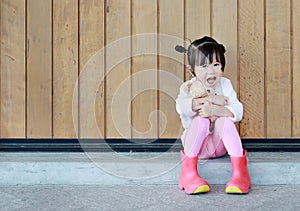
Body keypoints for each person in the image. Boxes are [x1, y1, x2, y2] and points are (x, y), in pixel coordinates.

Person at [175, 36, 251, 194]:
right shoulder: (188, 87)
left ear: (222, 65)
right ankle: (189, 174)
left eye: (216, 64)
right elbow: (181, 107)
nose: (211, 71)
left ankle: (240, 174)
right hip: (198, 148)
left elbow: (238, 110)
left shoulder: (225, 84)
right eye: (204, 66)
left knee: (225, 121)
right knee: (201, 121)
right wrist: (210, 100)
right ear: (192, 70)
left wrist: (216, 111)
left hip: (220, 145)